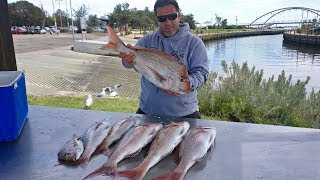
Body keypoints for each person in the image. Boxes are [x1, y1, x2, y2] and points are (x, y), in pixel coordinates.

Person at [119, 0, 209, 119]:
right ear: (157, 20)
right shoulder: (147, 40)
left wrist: (183, 83)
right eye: (162, 18)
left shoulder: (194, 43)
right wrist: (127, 60)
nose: (167, 22)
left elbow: (202, 73)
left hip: (185, 113)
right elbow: (126, 64)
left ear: (179, 15)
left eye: (172, 16)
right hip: (148, 111)